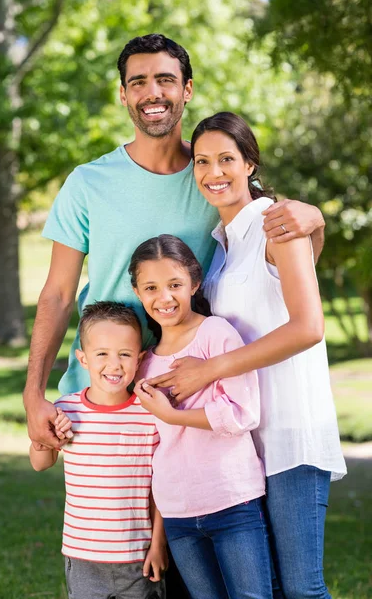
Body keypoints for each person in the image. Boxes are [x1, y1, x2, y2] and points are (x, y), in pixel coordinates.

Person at [23, 34, 326, 455]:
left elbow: (278, 245)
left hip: (193, 392)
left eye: (165, 79)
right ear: (123, 94)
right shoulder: (87, 183)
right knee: (105, 519)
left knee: (188, 519)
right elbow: (56, 295)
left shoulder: (214, 176)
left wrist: (315, 218)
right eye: (139, 81)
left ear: (187, 89)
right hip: (108, 394)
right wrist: (32, 392)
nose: (153, 92)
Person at [147, 112, 347, 599]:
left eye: (226, 159)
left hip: (292, 435)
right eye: (202, 162)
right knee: (271, 587)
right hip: (246, 438)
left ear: (250, 163)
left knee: (301, 588)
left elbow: (309, 326)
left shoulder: (276, 224)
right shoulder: (220, 248)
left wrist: (209, 370)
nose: (213, 172)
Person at [129, 234, 272, 599]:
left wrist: (174, 416)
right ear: (138, 292)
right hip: (177, 511)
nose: (164, 297)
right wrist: (157, 536)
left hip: (231, 500)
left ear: (194, 282)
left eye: (175, 285)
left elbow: (242, 413)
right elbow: (153, 446)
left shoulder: (215, 333)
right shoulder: (144, 362)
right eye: (151, 288)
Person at [29, 301, 167, 599]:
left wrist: (158, 545)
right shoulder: (65, 409)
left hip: (137, 556)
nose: (114, 365)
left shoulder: (149, 414)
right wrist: (46, 438)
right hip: (83, 556)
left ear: (140, 358)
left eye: (125, 354)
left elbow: (161, 487)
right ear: (83, 359)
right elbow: (41, 463)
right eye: (102, 354)